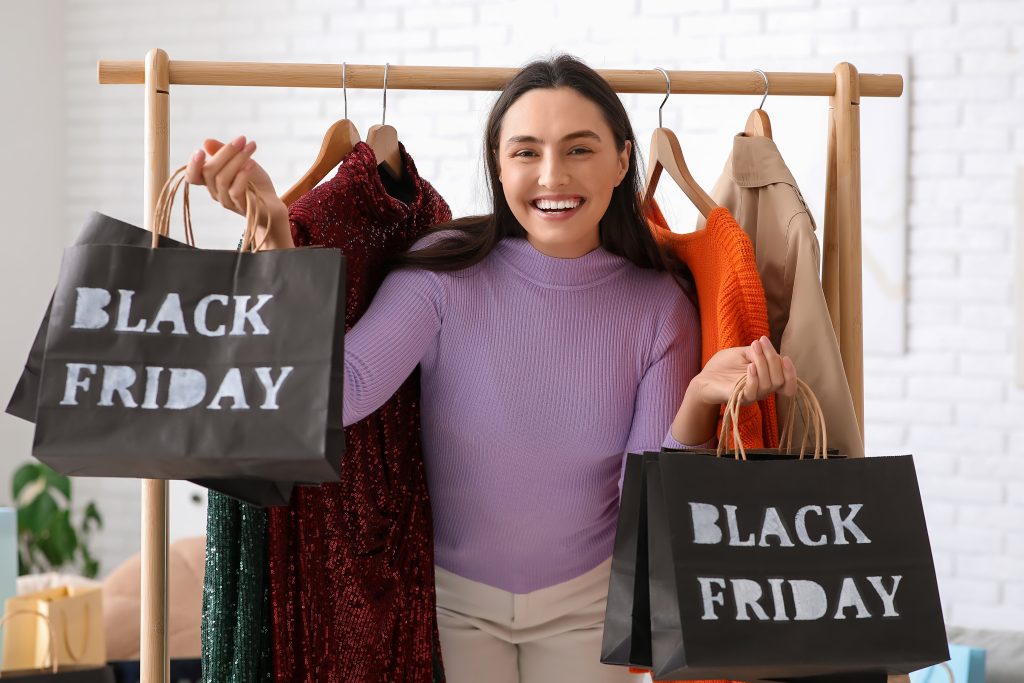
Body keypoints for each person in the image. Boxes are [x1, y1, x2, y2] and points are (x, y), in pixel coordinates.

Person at [186, 54, 797, 683]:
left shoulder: (660, 305)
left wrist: (698, 398)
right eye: (526, 152)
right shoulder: (443, 272)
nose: (552, 175)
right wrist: (276, 233)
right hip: (453, 605)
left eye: (579, 149)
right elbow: (339, 393)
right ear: (498, 168)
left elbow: (639, 496)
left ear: (621, 160)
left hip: (587, 609)